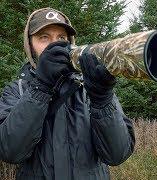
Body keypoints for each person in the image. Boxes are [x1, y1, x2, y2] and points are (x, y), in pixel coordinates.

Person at [0, 7, 135, 180]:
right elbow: (10, 151)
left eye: (61, 38)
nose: (55, 45)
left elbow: (117, 154)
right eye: (44, 37)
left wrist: (102, 99)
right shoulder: (17, 90)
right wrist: (41, 87)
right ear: (30, 45)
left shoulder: (91, 88)